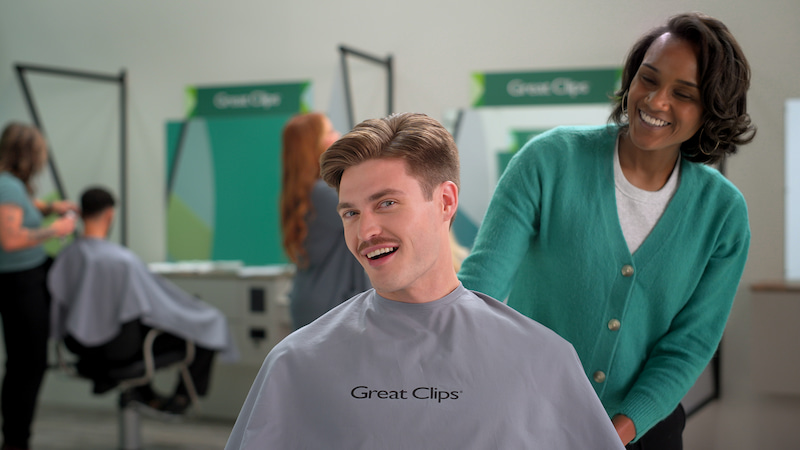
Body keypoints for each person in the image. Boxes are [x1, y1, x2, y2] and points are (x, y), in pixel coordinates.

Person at [225, 112, 624, 449]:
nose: (365, 232)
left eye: (387, 203)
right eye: (350, 213)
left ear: (446, 202)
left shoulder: (542, 360)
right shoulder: (295, 362)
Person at [459, 12, 754, 449]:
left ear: (711, 109)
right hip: (529, 420)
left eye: (683, 94)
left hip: (643, 429)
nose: (655, 101)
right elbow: (479, 289)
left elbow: (690, 343)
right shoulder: (549, 161)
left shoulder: (723, 214)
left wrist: (615, 433)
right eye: (648, 79)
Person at [48, 187, 238, 414]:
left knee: (132, 328)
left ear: (81, 212)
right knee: (203, 329)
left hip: (82, 350)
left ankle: (146, 394)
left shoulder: (66, 256)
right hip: (120, 351)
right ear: (110, 214)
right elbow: (160, 308)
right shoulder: (123, 261)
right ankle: (179, 400)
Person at [0, 122, 77, 450]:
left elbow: (20, 210)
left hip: (26, 278)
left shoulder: (12, 186)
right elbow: (10, 239)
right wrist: (55, 229)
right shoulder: (7, 186)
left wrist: (49, 208)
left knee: (24, 364)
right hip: (18, 284)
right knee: (26, 365)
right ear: (28, 154)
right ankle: (16, 441)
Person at [279, 112, 370, 329]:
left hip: (314, 300)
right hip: (329, 305)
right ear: (313, 145)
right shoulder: (323, 194)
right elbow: (367, 211)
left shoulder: (306, 193)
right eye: (329, 132)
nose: (338, 136)